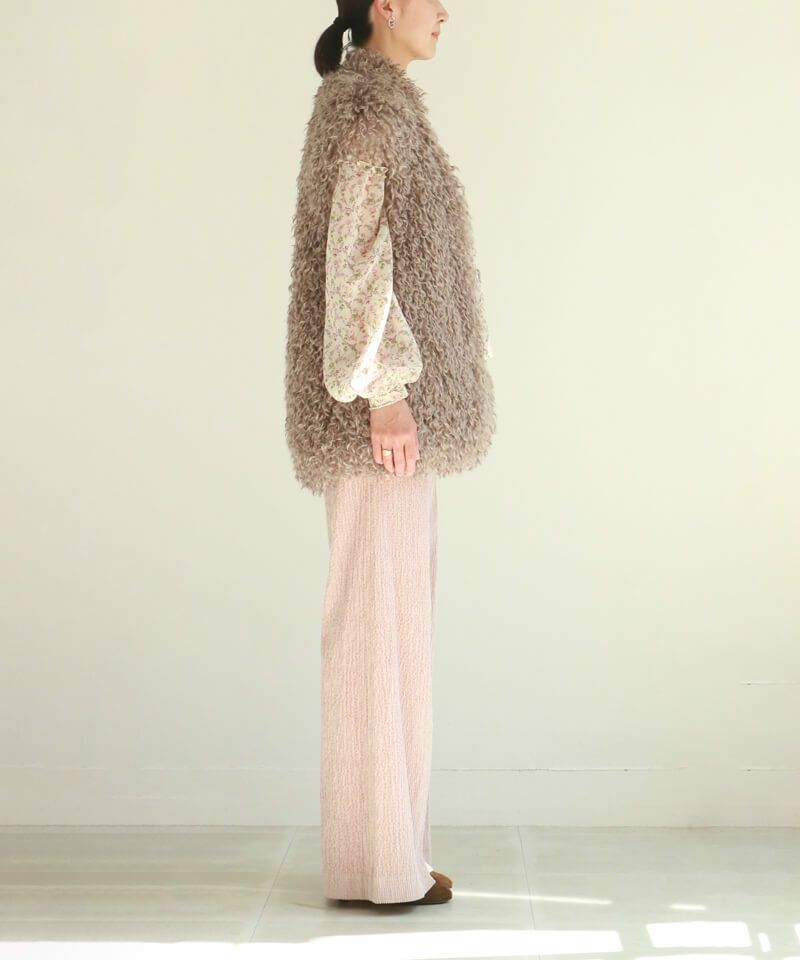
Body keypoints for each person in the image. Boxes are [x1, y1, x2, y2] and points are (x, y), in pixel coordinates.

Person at [284, 0, 496, 906]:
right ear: (385, 8)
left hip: (391, 420)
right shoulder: (369, 111)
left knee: (394, 631)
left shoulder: (381, 104)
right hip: (380, 422)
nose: (446, 11)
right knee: (377, 633)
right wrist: (387, 392)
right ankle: (377, 865)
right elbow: (358, 262)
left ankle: (388, 855)